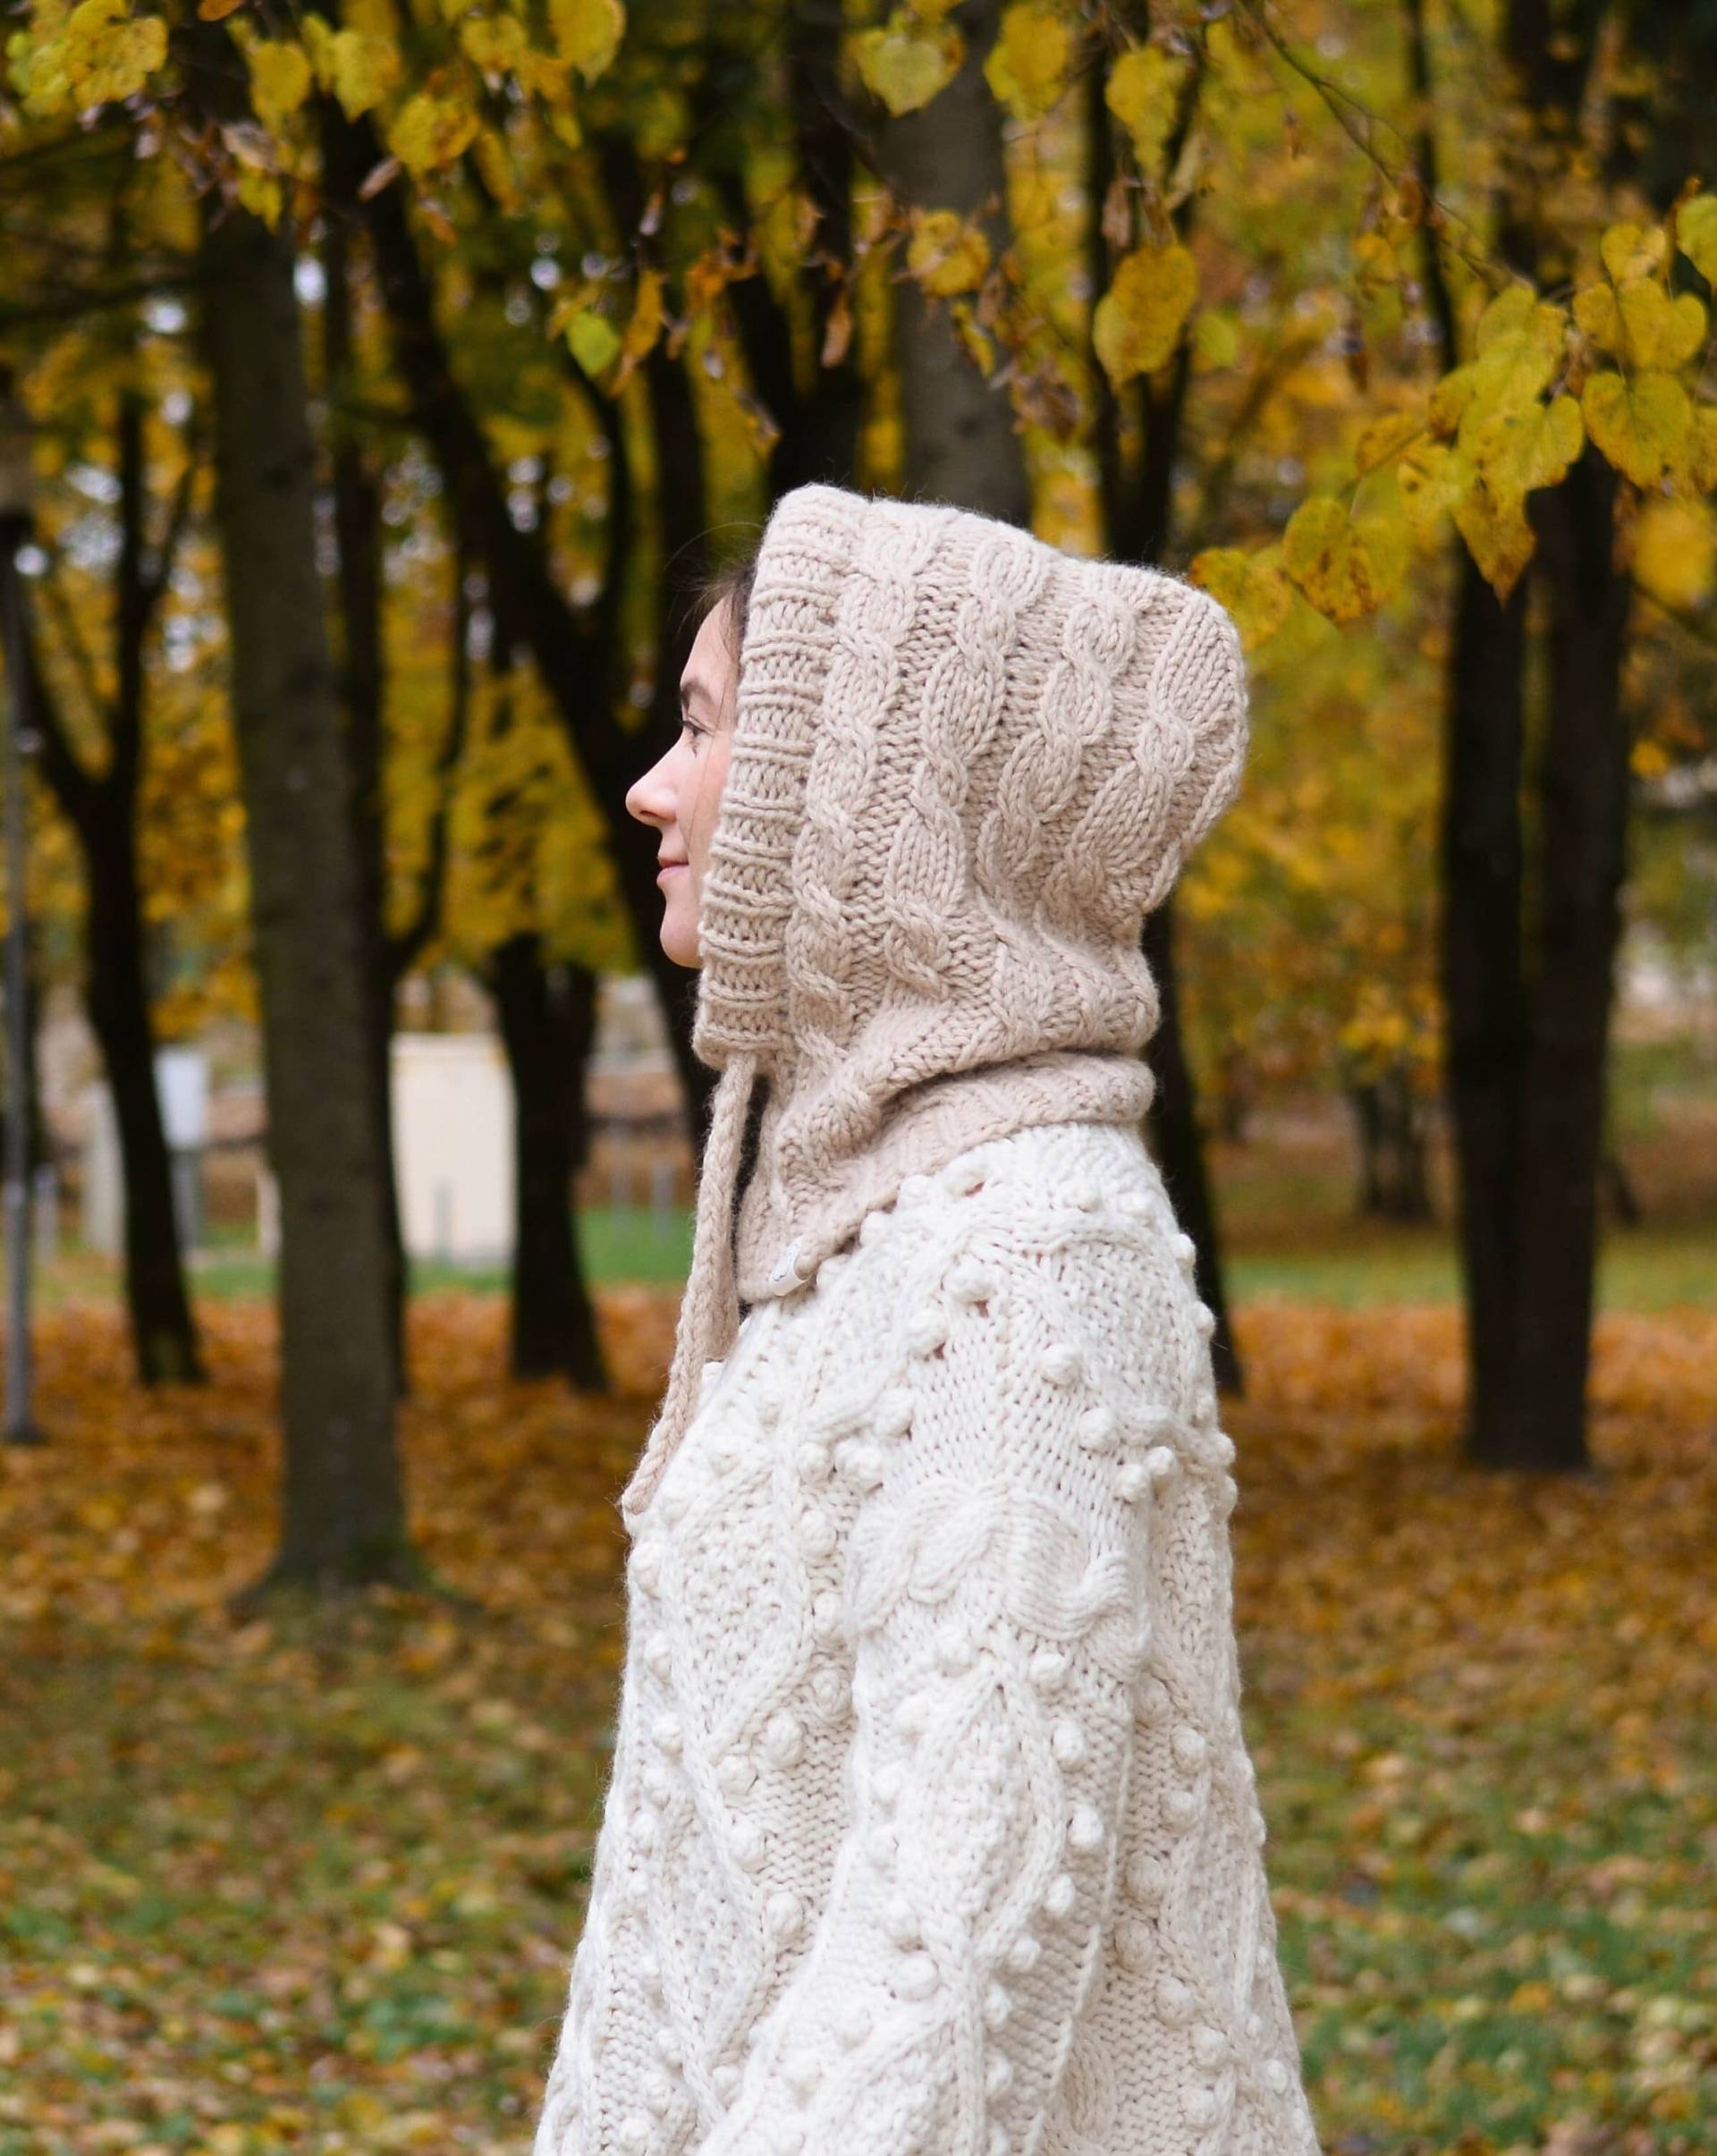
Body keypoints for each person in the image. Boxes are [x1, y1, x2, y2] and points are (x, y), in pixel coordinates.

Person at [532, 484, 1322, 2156]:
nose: (651, 788)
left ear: (861, 813)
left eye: (701, 727)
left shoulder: (1034, 1250)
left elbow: (954, 1957)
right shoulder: (851, 1232)